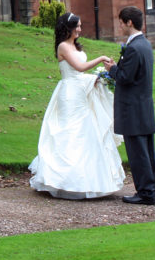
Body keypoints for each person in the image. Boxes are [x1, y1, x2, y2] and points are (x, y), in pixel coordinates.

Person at [28, 11, 125, 199]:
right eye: (77, 26)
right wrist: (101, 59)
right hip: (70, 94)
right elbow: (79, 68)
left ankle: (90, 181)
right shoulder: (63, 47)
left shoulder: (76, 46)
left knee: (87, 131)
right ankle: (62, 181)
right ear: (69, 27)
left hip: (82, 92)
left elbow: (81, 73)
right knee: (69, 132)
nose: (80, 29)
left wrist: (97, 78)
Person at [105, 6, 155, 205]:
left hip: (133, 109)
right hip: (143, 107)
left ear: (129, 22)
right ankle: (151, 190)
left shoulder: (135, 48)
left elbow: (126, 77)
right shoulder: (144, 44)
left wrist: (112, 69)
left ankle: (146, 193)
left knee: (138, 154)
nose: (120, 25)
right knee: (147, 152)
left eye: (121, 22)